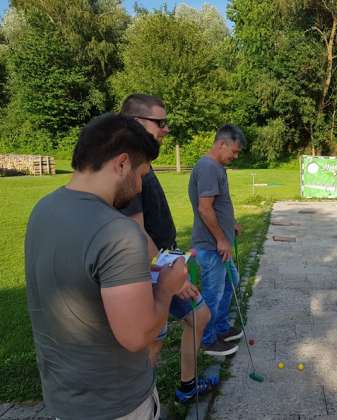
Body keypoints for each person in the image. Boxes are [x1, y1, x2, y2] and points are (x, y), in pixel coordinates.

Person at [25, 113, 188, 420]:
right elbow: (137, 336)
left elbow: (83, 282)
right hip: (117, 403)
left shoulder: (43, 210)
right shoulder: (119, 232)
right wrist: (166, 288)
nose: (140, 187)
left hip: (64, 397)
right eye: (140, 174)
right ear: (122, 163)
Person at [119, 94, 214, 404]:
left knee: (200, 315)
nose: (166, 129)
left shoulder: (143, 159)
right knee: (152, 342)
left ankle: (187, 387)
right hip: (147, 272)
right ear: (136, 123)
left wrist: (175, 257)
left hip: (165, 263)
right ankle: (140, 404)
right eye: (160, 122)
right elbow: (134, 231)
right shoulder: (127, 164)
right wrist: (171, 273)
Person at [188, 125, 247, 356]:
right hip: (211, 246)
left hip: (219, 244)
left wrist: (230, 224)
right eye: (234, 151)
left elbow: (218, 204)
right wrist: (222, 239)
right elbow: (204, 209)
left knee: (232, 280)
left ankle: (221, 327)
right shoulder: (208, 167)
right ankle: (208, 339)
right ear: (221, 144)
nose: (235, 156)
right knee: (214, 293)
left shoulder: (217, 167)